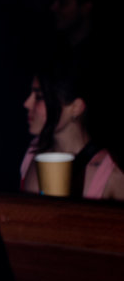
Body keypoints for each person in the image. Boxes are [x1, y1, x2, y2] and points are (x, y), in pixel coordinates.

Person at [20, 56, 124, 199]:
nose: (26, 103)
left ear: (76, 107)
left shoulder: (110, 173)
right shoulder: (33, 151)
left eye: (39, 97)